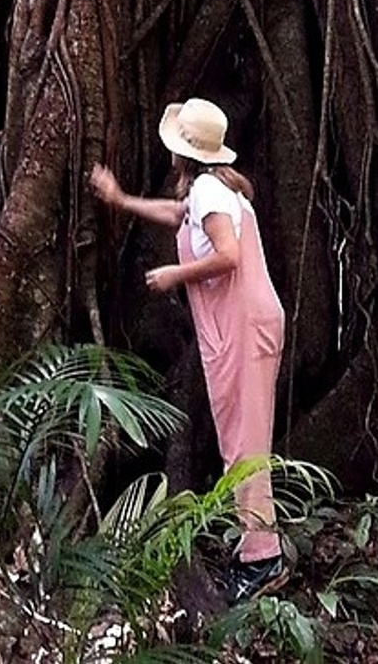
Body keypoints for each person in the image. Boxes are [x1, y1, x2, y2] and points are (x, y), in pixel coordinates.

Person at [89, 97, 289, 603]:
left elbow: (228, 255)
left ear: (186, 153)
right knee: (240, 439)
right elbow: (176, 214)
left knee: (246, 444)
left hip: (244, 327)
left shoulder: (211, 194)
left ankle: (263, 559)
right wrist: (120, 199)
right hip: (242, 326)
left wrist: (176, 274)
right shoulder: (213, 189)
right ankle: (255, 549)